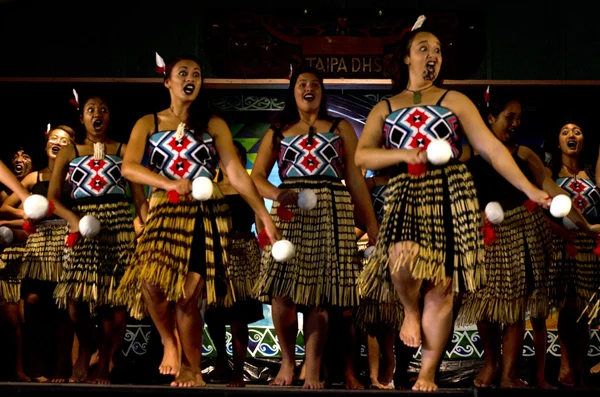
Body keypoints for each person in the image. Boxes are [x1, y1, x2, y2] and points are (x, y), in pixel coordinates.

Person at [354, 27, 550, 392]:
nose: (433, 55)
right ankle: (410, 312)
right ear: (407, 57)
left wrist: (531, 190)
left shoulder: (455, 100)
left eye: (439, 51)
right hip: (406, 193)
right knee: (401, 255)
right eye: (424, 48)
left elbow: (491, 150)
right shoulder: (385, 107)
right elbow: (362, 154)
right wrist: (405, 154)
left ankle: (427, 373)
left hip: (450, 193)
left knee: (443, 286)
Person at [115, 55, 280, 388]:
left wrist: (263, 215)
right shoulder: (149, 122)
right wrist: (167, 184)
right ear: (167, 81)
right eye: (183, 73)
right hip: (164, 210)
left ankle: (191, 369)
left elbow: (235, 172)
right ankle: (168, 342)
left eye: (197, 74)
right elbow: (129, 167)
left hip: (204, 215)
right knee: (151, 282)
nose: (190, 78)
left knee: (190, 294)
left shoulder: (213, 123)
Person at [251, 65, 378, 389]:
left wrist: (372, 226)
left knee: (320, 295)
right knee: (282, 292)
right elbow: (257, 178)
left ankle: (314, 366)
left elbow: (355, 180)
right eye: (302, 84)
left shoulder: (340, 128)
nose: (309, 88)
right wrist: (280, 194)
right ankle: (287, 363)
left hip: (331, 210)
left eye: (315, 84)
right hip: (289, 210)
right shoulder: (278, 129)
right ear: (292, 91)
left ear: (322, 92)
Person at [458, 96, 599, 388]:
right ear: (490, 119)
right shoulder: (469, 153)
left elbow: (551, 190)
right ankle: (491, 363)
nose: (516, 123)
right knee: (484, 303)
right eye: (510, 117)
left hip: (520, 231)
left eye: (519, 118)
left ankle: (509, 372)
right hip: (482, 231)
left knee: (514, 304)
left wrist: (584, 225)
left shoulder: (525, 154)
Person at [48, 95, 143, 384]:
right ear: (82, 118)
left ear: (109, 117)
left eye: (103, 109)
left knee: (113, 303)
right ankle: (85, 347)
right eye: (91, 109)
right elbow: (52, 199)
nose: (97, 113)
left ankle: (103, 363)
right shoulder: (70, 151)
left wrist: (148, 227)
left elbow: (139, 197)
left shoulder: (124, 149)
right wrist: (75, 221)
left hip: (118, 227)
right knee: (75, 302)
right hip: (83, 225)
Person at [0, 126, 76, 382]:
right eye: (53, 138)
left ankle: (63, 364)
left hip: (67, 242)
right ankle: (37, 363)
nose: (57, 142)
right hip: (39, 243)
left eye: (64, 140)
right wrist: (26, 212)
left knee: (64, 305)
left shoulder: (76, 176)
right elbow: (5, 207)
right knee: (32, 301)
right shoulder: (34, 178)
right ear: (46, 145)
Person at [204, 140, 264, 387]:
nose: (232, 160)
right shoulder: (210, 189)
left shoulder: (249, 189)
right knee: (214, 314)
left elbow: (260, 220)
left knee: (239, 315)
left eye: (238, 155)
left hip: (242, 253)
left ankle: (238, 371)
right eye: (228, 156)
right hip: (215, 256)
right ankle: (220, 359)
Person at [545, 121, 600, 387]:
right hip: (561, 244)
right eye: (565, 131)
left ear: (583, 140)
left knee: (586, 308)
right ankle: (566, 363)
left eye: (577, 131)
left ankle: (581, 363)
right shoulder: (549, 171)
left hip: (590, 246)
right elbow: (537, 206)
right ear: (558, 142)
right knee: (567, 307)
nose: (571, 135)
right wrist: (560, 232)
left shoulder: (592, 171)